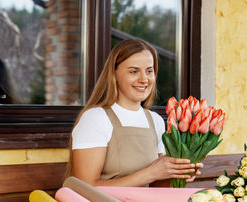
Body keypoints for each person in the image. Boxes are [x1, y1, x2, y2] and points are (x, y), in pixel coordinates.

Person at [66, 38, 203, 187]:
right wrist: (151, 172)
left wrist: (179, 172)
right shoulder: (95, 119)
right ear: (114, 74)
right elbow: (84, 189)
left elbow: (157, 187)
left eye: (149, 71)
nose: (144, 79)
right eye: (134, 71)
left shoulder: (155, 120)